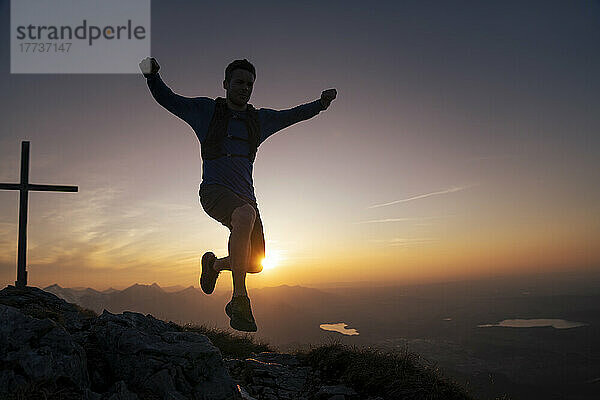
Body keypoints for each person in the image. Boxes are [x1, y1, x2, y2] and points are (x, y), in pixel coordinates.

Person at [139, 57, 337, 332]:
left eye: (249, 84)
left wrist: (320, 105)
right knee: (245, 215)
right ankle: (239, 301)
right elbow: (169, 100)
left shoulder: (258, 120)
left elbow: (291, 115)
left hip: (247, 200)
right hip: (214, 192)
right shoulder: (205, 111)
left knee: (255, 264)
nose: (245, 88)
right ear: (225, 84)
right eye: (239, 82)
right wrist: (152, 76)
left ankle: (214, 265)